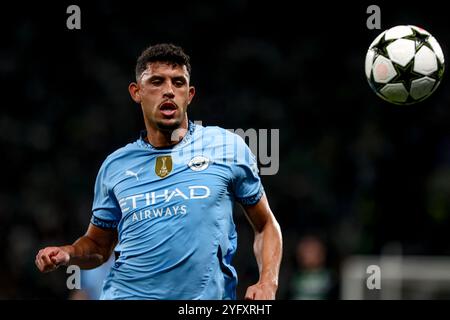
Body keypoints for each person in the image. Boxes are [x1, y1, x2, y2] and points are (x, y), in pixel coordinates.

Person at [35, 43, 283, 300]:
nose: (168, 91)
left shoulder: (227, 148)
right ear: (136, 92)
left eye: (178, 82)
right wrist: (69, 253)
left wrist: (268, 282)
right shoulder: (115, 166)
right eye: (156, 81)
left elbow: (265, 225)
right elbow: (98, 246)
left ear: (190, 94)